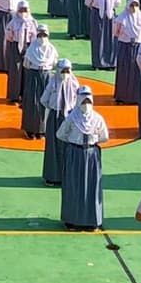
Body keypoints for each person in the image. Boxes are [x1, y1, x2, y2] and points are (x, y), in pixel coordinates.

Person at [56, 86, 108, 231]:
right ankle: (72, 220)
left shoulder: (97, 118)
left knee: (92, 186)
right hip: (75, 153)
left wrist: (93, 139)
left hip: (91, 154)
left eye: (88, 100)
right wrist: (74, 141)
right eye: (83, 100)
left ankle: (92, 220)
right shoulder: (72, 117)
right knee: (73, 186)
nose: (86, 104)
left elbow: (104, 136)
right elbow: (60, 134)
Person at [41, 58, 80, 185]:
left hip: (69, 117)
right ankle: (52, 176)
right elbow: (44, 100)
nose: (65, 73)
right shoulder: (53, 83)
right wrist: (54, 108)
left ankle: (66, 176)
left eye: (67, 70)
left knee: (68, 146)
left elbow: (79, 101)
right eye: (63, 70)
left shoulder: (74, 84)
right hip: (55, 116)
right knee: (53, 146)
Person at [20, 26, 56, 139]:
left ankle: (42, 129)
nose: (42, 38)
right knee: (32, 102)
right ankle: (30, 129)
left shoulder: (51, 49)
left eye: (44, 35)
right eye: (40, 35)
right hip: (33, 75)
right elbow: (26, 64)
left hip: (46, 76)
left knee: (45, 103)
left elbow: (54, 62)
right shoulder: (31, 49)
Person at [112, 0, 141, 104]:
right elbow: (115, 32)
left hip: (138, 46)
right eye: (132, 5)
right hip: (125, 45)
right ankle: (122, 97)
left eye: (136, 5)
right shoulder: (121, 18)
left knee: (137, 72)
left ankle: (136, 97)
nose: (134, 7)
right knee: (124, 71)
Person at [86, 0, 120, 70]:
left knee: (111, 38)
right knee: (98, 38)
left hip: (110, 15)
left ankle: (110, 63)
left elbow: (117, 3)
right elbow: (88, 2)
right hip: (97, 15)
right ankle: (97, 63)